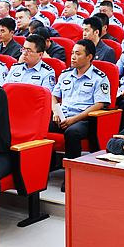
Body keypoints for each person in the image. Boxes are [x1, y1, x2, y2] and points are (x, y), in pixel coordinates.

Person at [51, 40, 111, 168]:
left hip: (84, 119)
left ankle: (71, 171)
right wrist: (55, 111)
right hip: (62, 116)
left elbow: (99, 105)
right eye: (72, 53)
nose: (73, 57)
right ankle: (48, 166)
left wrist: (74, 119)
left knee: (72, 132)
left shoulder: (99, 78)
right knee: (40, 126)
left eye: (78, 54)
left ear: (89, 57)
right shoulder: (65, 74)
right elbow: (54, 96)